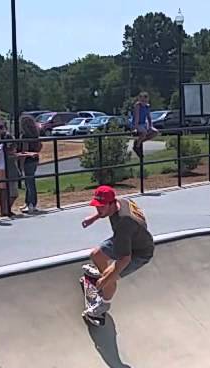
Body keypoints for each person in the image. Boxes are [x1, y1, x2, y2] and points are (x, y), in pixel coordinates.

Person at [80, 185, 154, 321]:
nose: (98, 209)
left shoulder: (124, 223)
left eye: (101, 207)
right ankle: (103, 274)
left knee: (109, 279)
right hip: (127, 238)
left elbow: (125, 259)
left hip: (139, 252)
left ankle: (103, 305)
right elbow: (106, 210)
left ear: (111, 203)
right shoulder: (121, 202)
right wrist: (94, 217)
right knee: (96, 255)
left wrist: (105, 279)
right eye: (97, 206)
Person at [17, 113, 42, 213]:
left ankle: (32, 204)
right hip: (35, 159)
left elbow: (24, 150)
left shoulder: (24, 136)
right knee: (29, 181)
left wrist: (21, 165)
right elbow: (40, 146)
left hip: (28, 161)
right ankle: (27, 202)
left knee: (29, 182)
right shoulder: (35, 135)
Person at [131, 91, 158, 159]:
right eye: (142, 100)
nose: (144, 102)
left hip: (143, 124)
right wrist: (136, 128)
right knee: (144, 132)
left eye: (145, 100)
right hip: (136, 124)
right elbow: (137, 117)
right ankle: (136, 147)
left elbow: (149, 117)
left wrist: (151, 126)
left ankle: (138, 142)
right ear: (139, 99)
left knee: (155, 132)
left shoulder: (147, 107)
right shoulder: (137, 106)